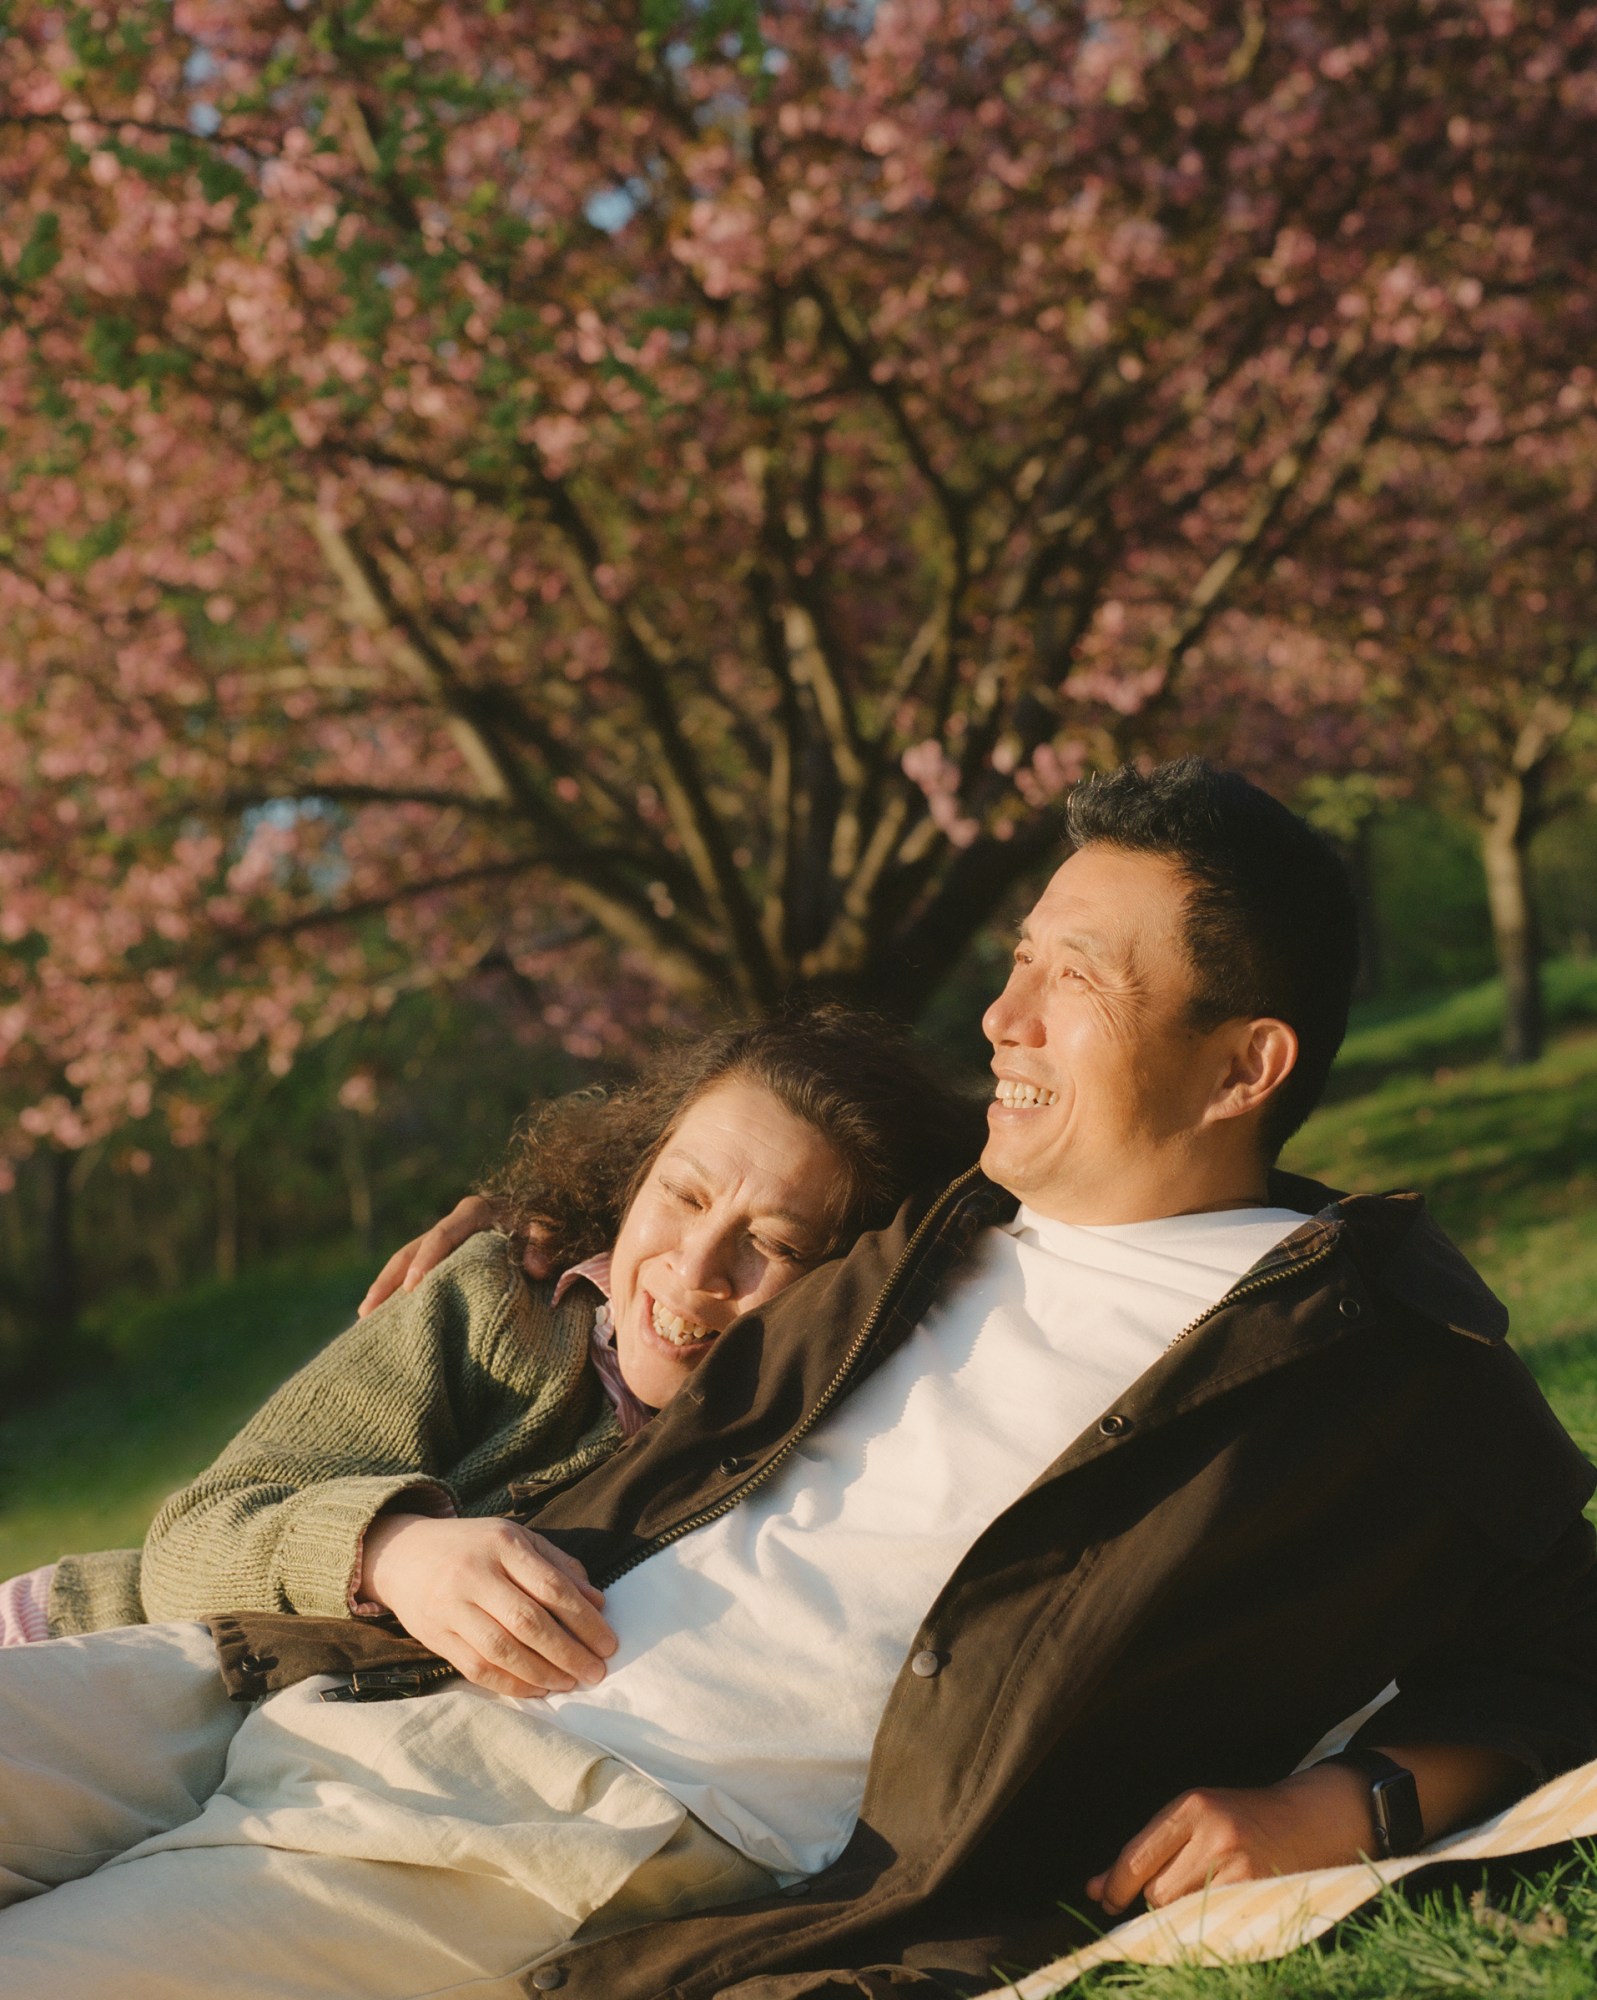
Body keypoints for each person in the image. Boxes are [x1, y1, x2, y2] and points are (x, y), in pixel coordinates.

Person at [1, 760, 1593, 2000]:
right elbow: (722, 1203)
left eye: (1076, 984)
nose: (1004, 1015)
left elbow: (1565, 1641)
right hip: (316, 1677)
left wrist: (1358, 1805)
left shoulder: (1376, 1372)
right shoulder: (928, 1225)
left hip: (562, 1818)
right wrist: (535, 1227)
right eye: (1018, 958)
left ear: (1246, 1064)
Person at [0, 1006, 986, 1679]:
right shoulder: (491, 1302)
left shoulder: (835, 1457)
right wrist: (391, 1551)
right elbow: (196, 1536)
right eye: (682, 1194)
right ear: (636, 1175)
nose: (693, 1268)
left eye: (772, 1244)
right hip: (75, 1646)